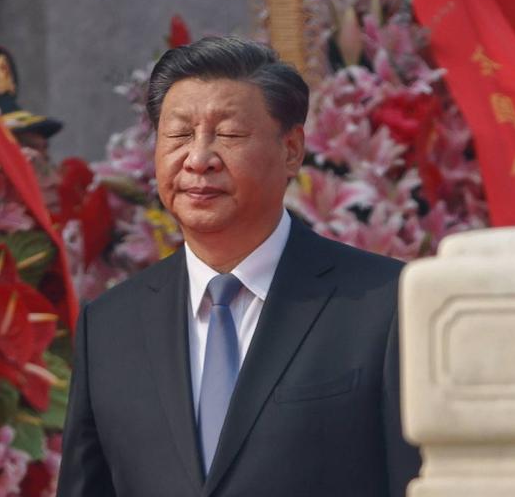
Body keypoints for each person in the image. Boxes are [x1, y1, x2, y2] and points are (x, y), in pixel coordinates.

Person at [58, 36, 420, 496]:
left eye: (228, 135)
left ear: (291, 150)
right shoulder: (110, 325)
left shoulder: (383, 304)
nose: (198, 160)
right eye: (179, 135)